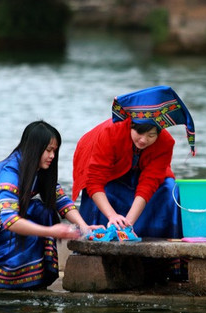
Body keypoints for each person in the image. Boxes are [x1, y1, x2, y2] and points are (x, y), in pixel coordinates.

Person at [0, 120, 97, 290]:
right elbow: (10, 220)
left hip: (1, 218)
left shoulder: (40, 171)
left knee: (43, 210)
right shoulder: (9, 174)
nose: (52, 156)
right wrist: (50, 231)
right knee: (34, 229)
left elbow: (61, 201)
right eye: (48, 150)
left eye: (54, 151)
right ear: (34, 148)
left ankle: (28, 276)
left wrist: (84, 227)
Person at [72, 85, 196, 239]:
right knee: (104, 191)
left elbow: (149, 183)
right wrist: (113, 217)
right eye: (139, 132)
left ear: (159, 132)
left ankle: (159, 242)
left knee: (169, 189)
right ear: (131, 125)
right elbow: (95, 181)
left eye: (151, 135)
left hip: (138, 170)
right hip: (103, 169)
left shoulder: (165, 142)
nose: (144, 140)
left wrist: (127, 224)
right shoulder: (111, 133)